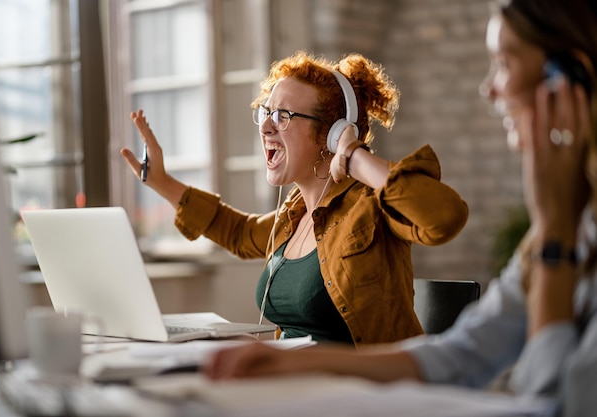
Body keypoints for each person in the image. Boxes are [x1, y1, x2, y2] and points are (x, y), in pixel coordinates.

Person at [203, 0, 597, 415]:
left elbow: (563, 400)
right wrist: (293, 361)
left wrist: (555, 236)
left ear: (568, 79)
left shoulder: (558, 228)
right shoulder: (566, 226)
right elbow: (457, 357)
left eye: (503, 63)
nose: (489, 89)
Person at [121, 51, 468, 347]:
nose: (266, 127)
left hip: (363, 396)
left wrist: (353, 153)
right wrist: (162, 182)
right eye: (266, 112)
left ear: (328, 136)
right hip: (293, 389)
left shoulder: (370, 205)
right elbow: (239, 233)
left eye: (283, 116)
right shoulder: (293, 216)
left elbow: (445, 217)